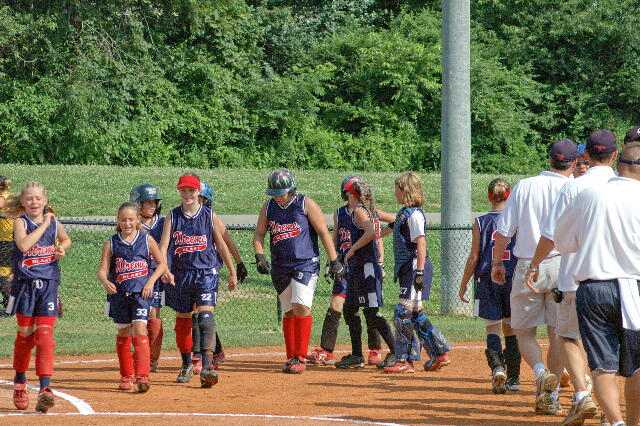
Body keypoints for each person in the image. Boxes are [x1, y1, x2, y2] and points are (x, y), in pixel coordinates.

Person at [526, 130, 618, 425]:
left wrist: (534, 264)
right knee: (608, 345)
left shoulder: (574, 187)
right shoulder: (624, 187)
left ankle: (582, 395)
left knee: (568, 336)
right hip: (618, 279)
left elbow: (551, 235)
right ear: (614, 155)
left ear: (586, 155)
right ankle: (610, 412)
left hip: (575, 278)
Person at [554, 142, 640, 426]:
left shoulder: (588, 193)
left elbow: (563, 241)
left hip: (593, 287)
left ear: (619, 162)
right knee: (637, 366)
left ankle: (616, 422)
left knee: (603, 365)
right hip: (634, 286)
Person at [492, 139, 578, 415]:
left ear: (550, 159)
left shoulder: (525, 185)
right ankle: (550, 396)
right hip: (563, 265)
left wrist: (497, 262)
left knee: (523, 330)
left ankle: (541, 373)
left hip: (528, 264)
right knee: (558, 332)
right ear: (574, 162)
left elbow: (503, 232)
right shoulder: (575, 187)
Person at [253, 168, 344, 374]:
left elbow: (323, 232)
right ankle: (291, 355)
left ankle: (300, 356)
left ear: (291, 189)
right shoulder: (268, 207)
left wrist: (334, 260)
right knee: (288, 311)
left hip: (305, 263)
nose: (278, 197)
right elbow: (259, 234)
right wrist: (260, 256)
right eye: (275, 193)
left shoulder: (305, 203)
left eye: (282, 193)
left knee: (301, 306)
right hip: (280, 265)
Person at [160, 174, 237, 388]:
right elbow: (164, 246)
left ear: (198, 192)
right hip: (181, 273)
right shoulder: (173, 216)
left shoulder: (208, 215)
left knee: (205, 315)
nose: (187, 194)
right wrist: (165, 268)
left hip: (205, 273)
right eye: (183, 190)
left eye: (191, 190)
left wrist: (232, 271)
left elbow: (221, 245)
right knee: (183, 317)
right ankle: (186, 363)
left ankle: (208, 365)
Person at [306, 176, 387, 367]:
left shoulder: (366, 212)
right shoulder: (339, 213)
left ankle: (375, 349)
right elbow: (335, 237)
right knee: (337, 303)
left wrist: (381, 262)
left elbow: (376, 237)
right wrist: (331, 261)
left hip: (363, 265)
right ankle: (327, 350)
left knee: (369, 309)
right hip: (344, 265)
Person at [8, 182, 71, 413]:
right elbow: (24, 245)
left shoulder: (54, 222)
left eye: (38, 198)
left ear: (45, 201)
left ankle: (45, 388)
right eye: (29, 198)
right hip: (25, 286)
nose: (34, 202)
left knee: (45, 336)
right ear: (23, 202)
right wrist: (45, 223)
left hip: (48, 285)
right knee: (25, 336)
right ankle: (20, 381)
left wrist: (62, 248)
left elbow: (66, 239)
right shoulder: (21, 222)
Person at [380, 172, 450, 374]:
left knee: (402, 313)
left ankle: (404, 360)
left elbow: (421, 242)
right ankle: (439, 353)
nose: (395, 192)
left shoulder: (414, 215)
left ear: (405, 190)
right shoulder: (405, 213)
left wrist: (419, 272)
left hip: (414, 267)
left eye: (397, 189)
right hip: (409, 268)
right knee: (416, 314)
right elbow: (389, 228)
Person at [458, 178, 521, 394]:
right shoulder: (516, 221)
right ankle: (514, 378)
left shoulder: (480, 222)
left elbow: (474, 257)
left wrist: (464, 283)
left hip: (487, 278)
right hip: (511, 277)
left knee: (492, 326)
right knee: (511, 327)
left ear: (488, 196)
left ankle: (497, 368)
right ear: (509, 196)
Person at [97, 202, 167, 393]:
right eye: (123, 220)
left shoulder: (146, 240)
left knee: (140, 329)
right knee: (123, 333)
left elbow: (161, 264)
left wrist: (150, 282)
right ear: (118, 221)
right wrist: (105, 281)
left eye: (131, 219)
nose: (127, 223)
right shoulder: (111, 243)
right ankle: (126, 376)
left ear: (137, 221)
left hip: (140, 294)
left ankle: (142, 376)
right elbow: (102, 270)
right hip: (120, 295)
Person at [332, 177, 396, 369]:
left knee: (371, 312)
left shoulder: (360, 211)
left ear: (350, 194)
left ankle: (396, 351)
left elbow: (371, 233)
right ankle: (357, 355)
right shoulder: (356, 211)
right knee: (350, 309)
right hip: (356, 269)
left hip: (367, 268)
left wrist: (353, 249)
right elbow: (378, 230)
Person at [191, 181, 247, 373]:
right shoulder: (186, 217)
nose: (198, 201)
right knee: (198, 313)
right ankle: (216, 352)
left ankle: (200, 356)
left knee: (199, 312)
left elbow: (227, 241)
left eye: (201, 198)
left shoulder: (210, 217)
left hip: (209, 271)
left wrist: (239, 264)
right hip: (191, 270)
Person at [129, 184, 165, 372]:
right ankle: (141, 355)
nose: (152, 205)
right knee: (136, 318)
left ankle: (152, 359)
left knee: (153, 316)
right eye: (147, 202)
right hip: (136, 276)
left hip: (157, 276)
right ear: (138, 204)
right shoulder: (132, 224)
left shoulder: (163, 223)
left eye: (154, 202)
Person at [0, 176, 17, 317]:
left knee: (4, 276)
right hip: (4, 241)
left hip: (7, 242)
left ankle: (10, 308)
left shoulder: (5, 197)